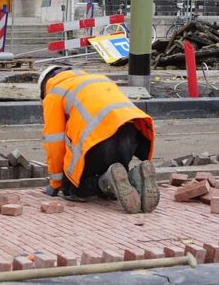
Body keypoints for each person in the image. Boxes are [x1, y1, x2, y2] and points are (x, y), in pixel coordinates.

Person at [38, 65, 159, 214]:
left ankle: (106, 182)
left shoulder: (54, 93)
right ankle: (135, 177)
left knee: (75, 190)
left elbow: (54, 142)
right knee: (116, 170)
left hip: (98, 141)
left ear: (45, 86)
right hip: (130, 135)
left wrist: (56, 183)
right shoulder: (101, 79)